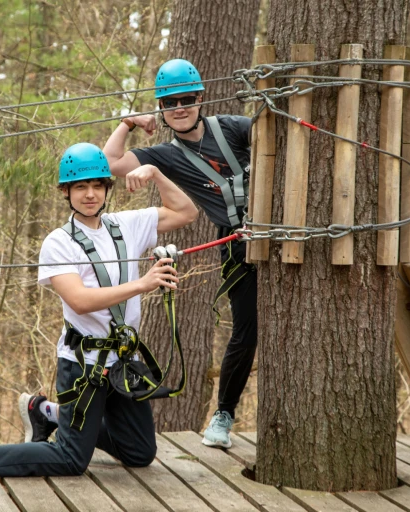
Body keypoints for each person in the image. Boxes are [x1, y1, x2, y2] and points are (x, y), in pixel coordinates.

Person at [0, 142, 197, 475]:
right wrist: (142, 284)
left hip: (123, 363)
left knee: (140, 452)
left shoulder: (126, 225)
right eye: (80, 187)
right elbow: (79, 300)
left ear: (106, 188)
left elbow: (187, 212)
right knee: (71, 460)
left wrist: (156, 173)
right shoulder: (59, 242)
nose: (90, 194)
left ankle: (49, 413)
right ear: (66, 192)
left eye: (97, 185)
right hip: (84, 365)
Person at [101, 58, 257, 449]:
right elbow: (109, 163)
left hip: (281, 231)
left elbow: (278, 138)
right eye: (170, 102)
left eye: (187, 98)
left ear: (201, 97)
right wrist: (128, 123)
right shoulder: (164, 156)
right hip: (237, 243)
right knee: (246, 330)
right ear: (162, 108)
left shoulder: (232, 128)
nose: (180, 107)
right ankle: (223, 415)